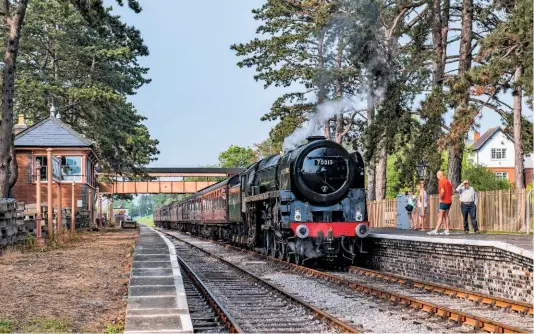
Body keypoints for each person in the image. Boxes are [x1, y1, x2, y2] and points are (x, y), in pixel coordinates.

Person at [428, 171, 453, 235]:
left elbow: (442, 191)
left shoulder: (441, 181)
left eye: (437, 175)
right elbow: (453, 189)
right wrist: (449, 196)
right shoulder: (447, 181)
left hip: (444, 201)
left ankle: (436, 230)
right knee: (446, 215)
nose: (436, 176)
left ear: (439, 175)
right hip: (449, 201)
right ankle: (447, 230)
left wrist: (441, 198)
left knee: (440, 216)